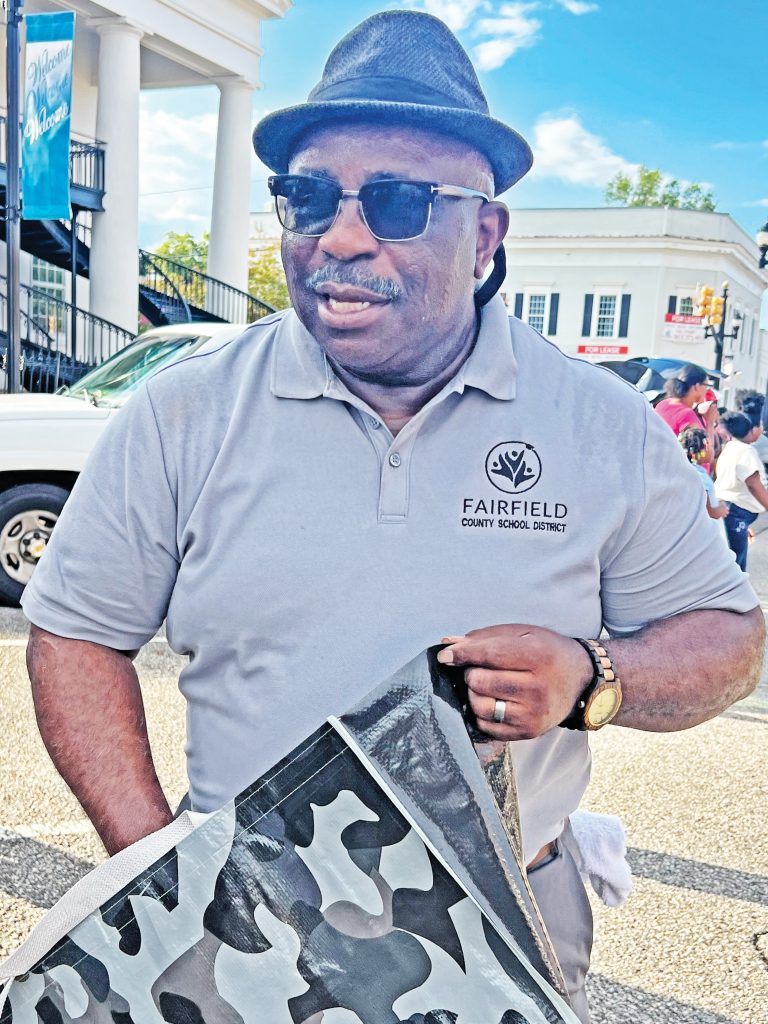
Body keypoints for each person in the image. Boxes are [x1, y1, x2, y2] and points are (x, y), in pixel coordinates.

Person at [20, 12, 763, 1023]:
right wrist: (159, 873)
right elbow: (75, 632)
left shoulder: (604, 427)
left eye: (399, 202)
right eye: (308, 197)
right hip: (235, 923)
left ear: (486, 235)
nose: (340, 237)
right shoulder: (183, 412)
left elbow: (728, 641)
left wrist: (593, 677)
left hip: (505, 919)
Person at [714, 412, 768, 571]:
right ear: (751, 430)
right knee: (735, 566)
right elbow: (753, 483)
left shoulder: (731, 447)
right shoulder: (745, 451)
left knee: (733, 561)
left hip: (731, 511)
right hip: (736, 513)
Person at [677, 426, 728, 537]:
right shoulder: (699, 476)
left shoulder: (691, 471)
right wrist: (722, 509)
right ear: (705, 446)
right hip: (709, 535)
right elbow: (710, 512)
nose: (712, 449)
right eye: (711, 445)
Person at [654, 364, 711, 437]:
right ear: (697, 386)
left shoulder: (662, 404)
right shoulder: (687, 414)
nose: (706, 390)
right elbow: (705, 443)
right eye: (706, 386)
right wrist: (710, 422)